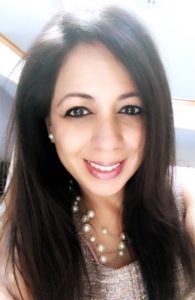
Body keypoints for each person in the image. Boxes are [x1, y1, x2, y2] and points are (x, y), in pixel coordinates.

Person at [0, 4, 195, 300]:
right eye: (78, 111)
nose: (108, 141)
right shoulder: (23, 252)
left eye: (130, 109)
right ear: (48, 124)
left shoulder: (184, 196)